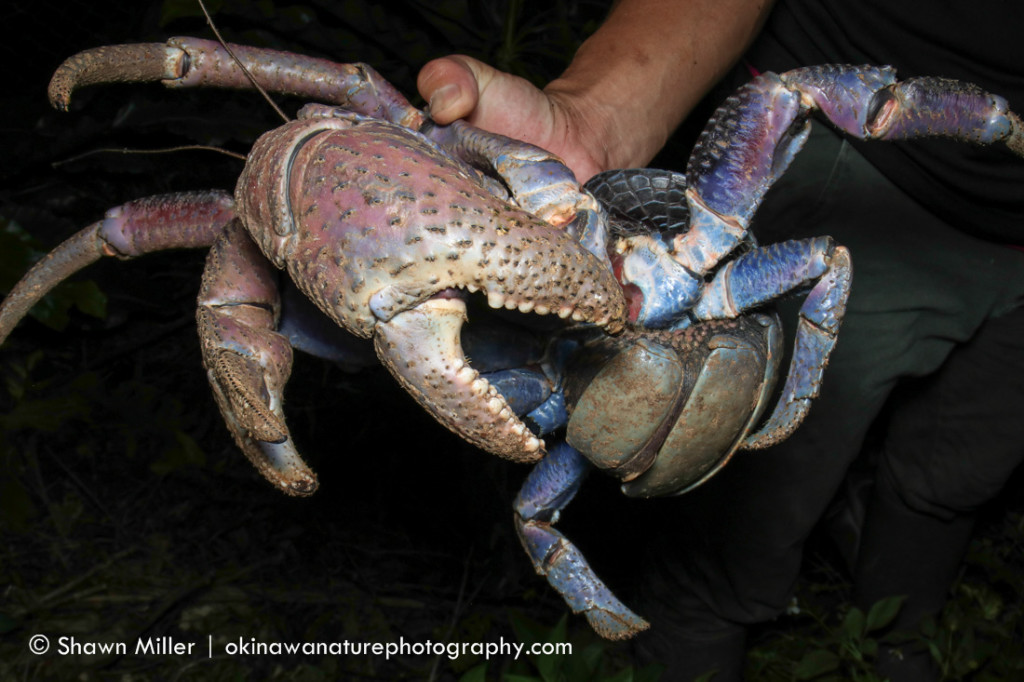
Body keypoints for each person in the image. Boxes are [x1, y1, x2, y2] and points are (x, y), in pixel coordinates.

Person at [418, 1, 1024, 679]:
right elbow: (536, 513)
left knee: (956, 476)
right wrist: (596, 115)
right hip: (874, 173)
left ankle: (906, 634)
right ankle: (681, 635)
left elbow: (826, 266)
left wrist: (797, 388)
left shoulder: (704, 257)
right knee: (744, 528)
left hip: (757, 267)